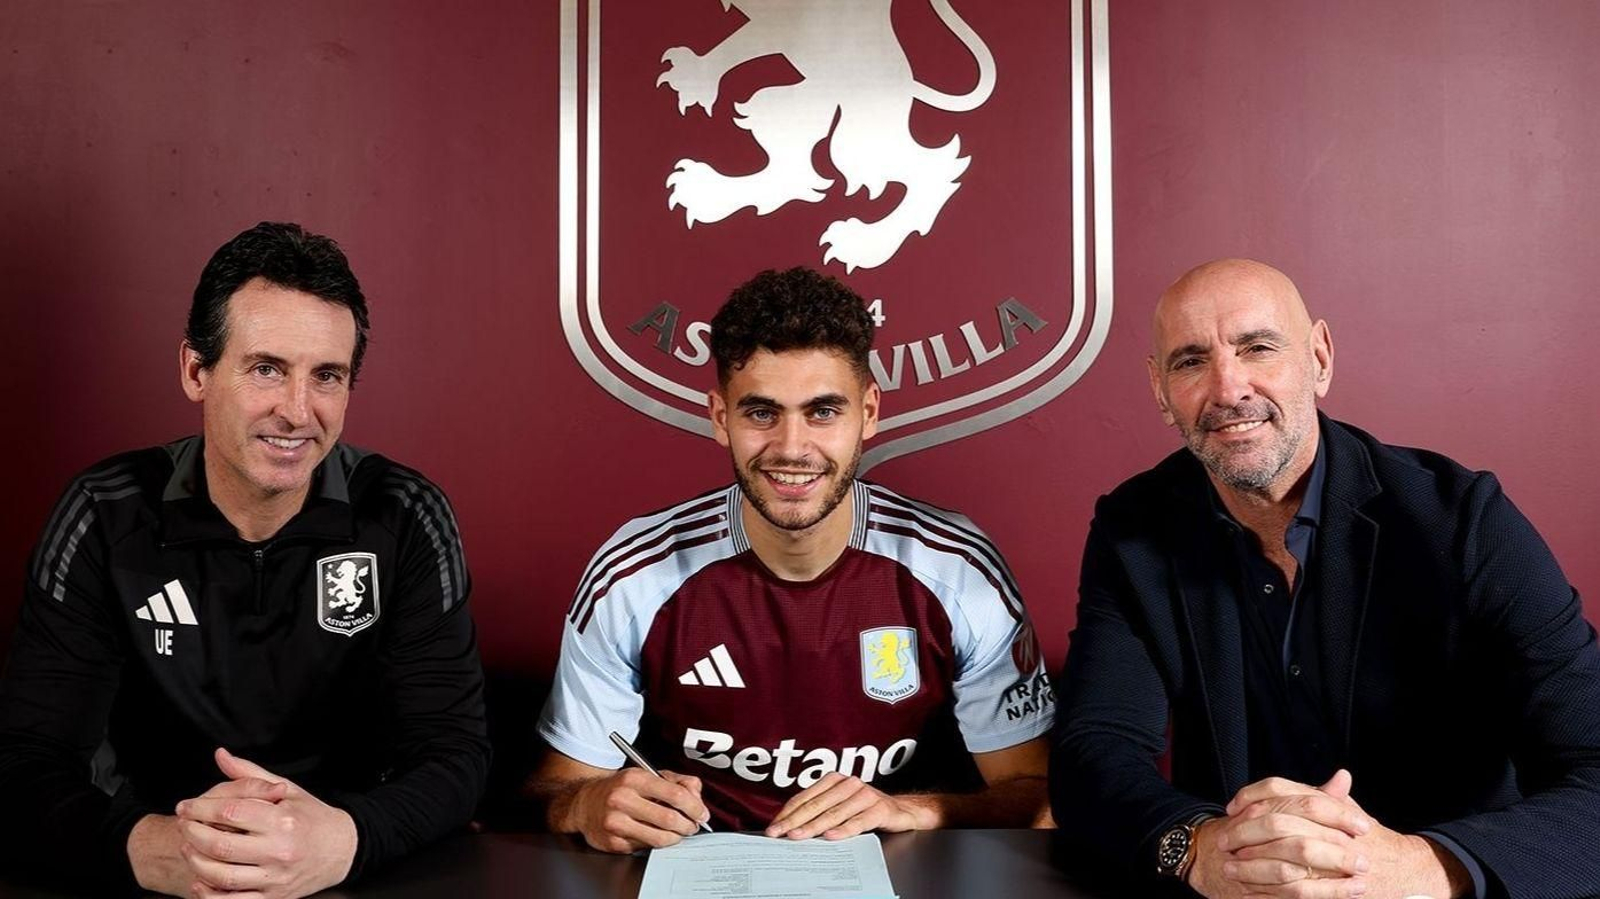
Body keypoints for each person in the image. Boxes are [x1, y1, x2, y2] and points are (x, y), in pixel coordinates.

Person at [1050, 258, 1600, 898]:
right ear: (1160, 390)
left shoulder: (1464, 521)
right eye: (1191, 361)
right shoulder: (1133, 530)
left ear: (1319, 358)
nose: (1228, 390)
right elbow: (1094, 753)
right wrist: (1197, 848)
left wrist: (1421, 868)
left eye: (1258, 348)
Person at [0, 222, 490, 897]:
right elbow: (24, 764)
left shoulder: (404, 514)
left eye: (327, 376)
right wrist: (155, 848)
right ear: (196, 371)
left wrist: (344, 838)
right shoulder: (105, 514)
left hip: (347, 871)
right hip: (158, 871)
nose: (297, 410)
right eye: (266, 368)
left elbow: (456, 756)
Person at [530, 267, 1054, 853]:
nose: (792, 447)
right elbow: (559, 787)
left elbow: (1036, 793)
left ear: (870, 412)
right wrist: (587, 804)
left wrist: (913, 809)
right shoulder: (634, 574)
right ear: (720, 416)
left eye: (823, 412)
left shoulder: (958, 569)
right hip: (700, 876)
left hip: (895, 875)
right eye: (761, 413)